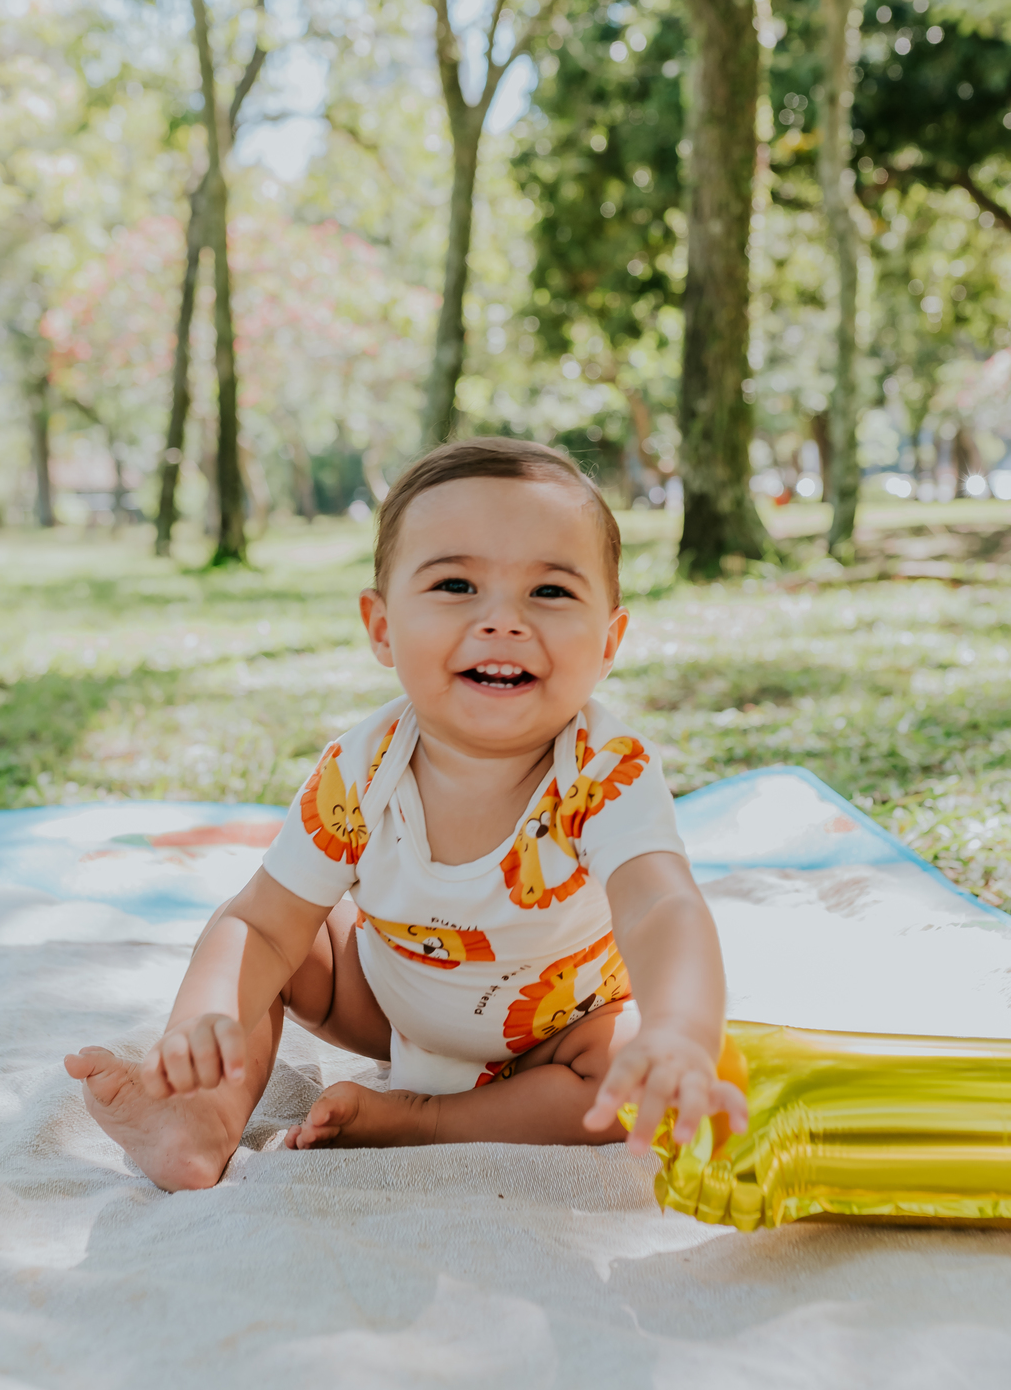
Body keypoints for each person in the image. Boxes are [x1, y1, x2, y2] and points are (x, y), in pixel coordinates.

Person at [66, 439, 747, 1192]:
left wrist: (682, 1032)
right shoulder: (357, 775)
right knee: (278, 944)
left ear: (610, 641)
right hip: (385, 1005)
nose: (503, 622)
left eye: (550, 592)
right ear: (382, 628)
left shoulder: (604, 771)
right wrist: (200, 1019)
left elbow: (660, 908)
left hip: (558, 1036)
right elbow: (258, 926)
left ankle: (423, 1122)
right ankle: (201, 1119)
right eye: (457, 584)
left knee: (623, 1069)